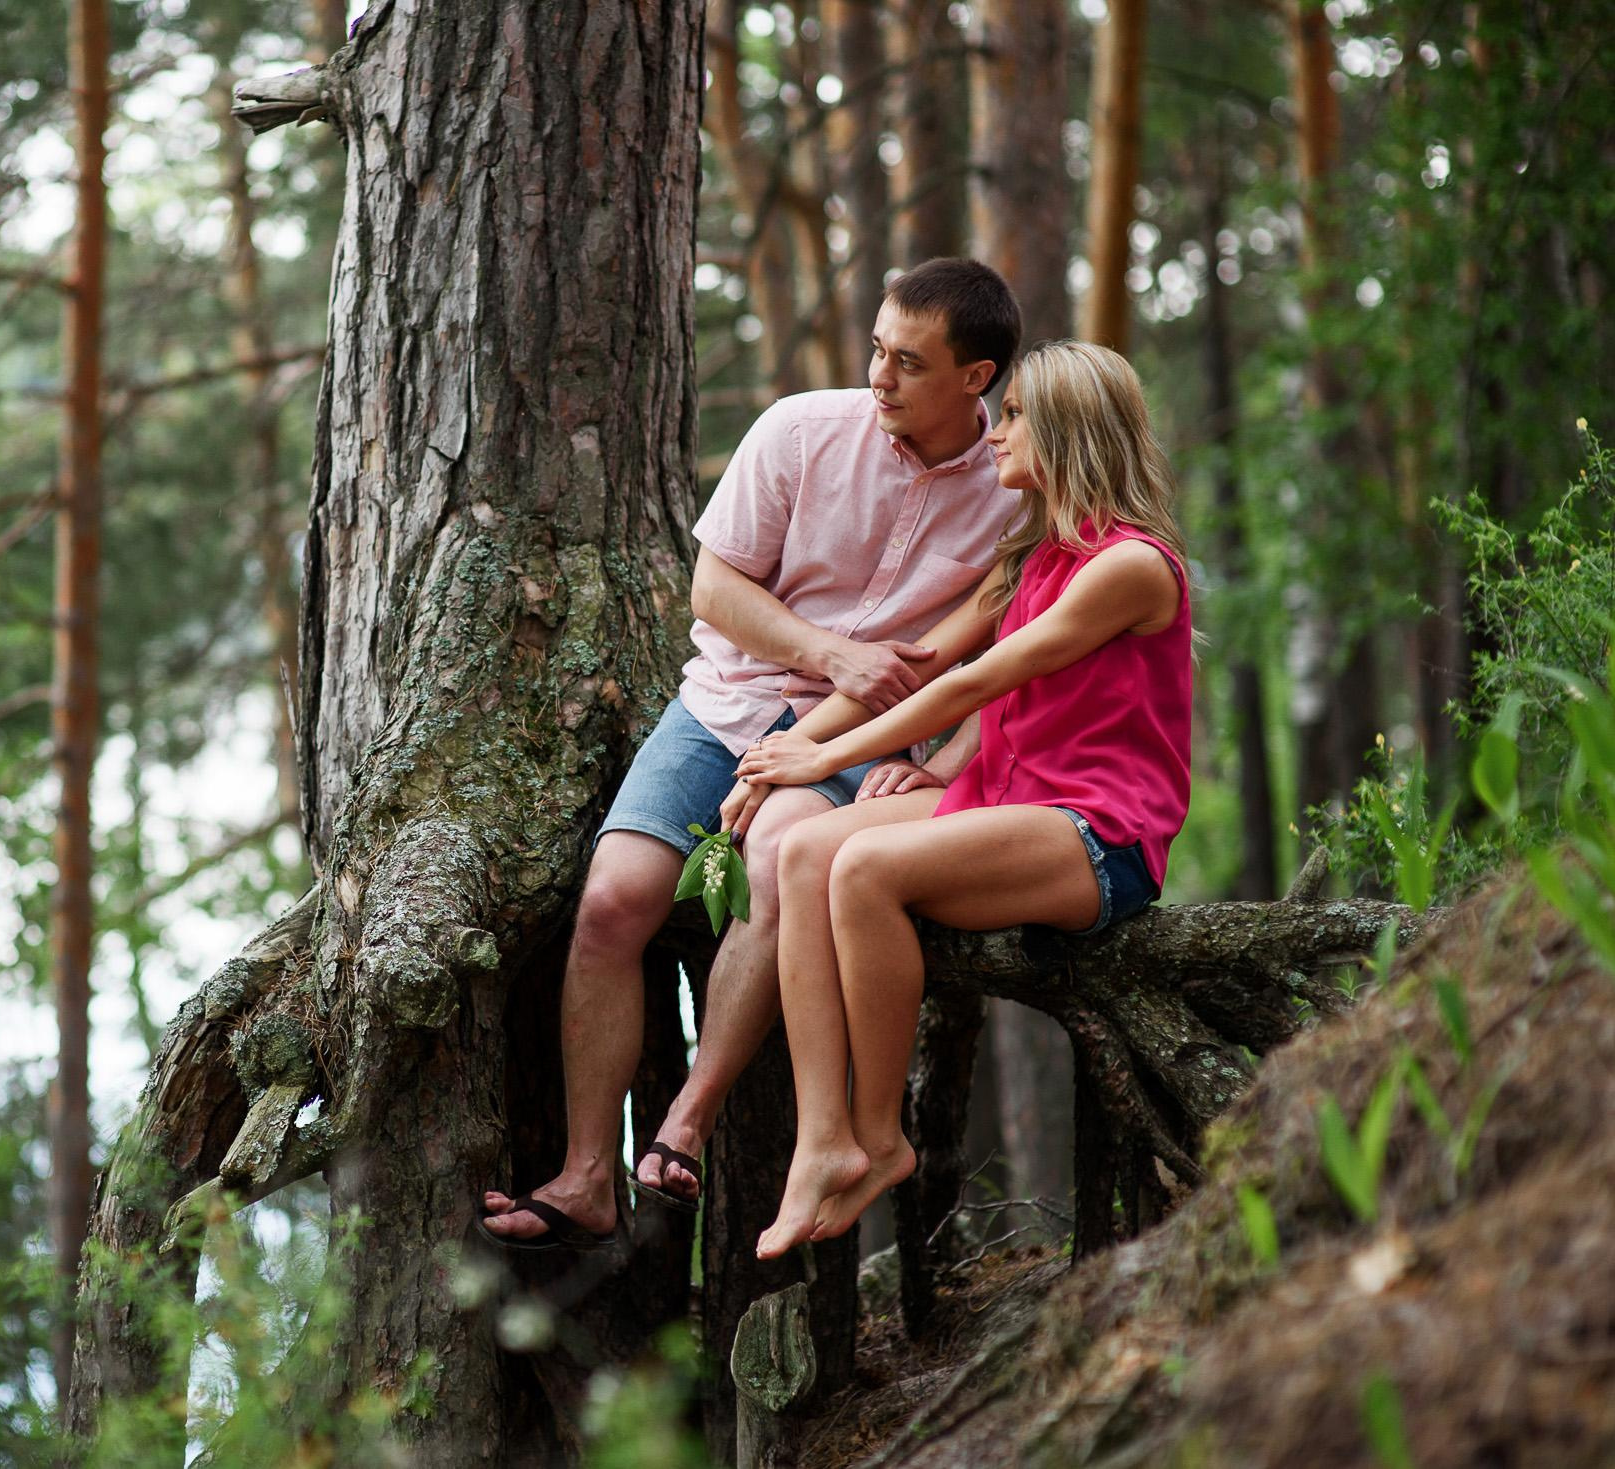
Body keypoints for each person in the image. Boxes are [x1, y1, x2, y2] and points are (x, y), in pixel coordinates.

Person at [479, 259, 1024, 1247]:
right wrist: (830, 652)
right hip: (723, 707)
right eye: (876, 349)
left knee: (778, 860)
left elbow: (1020, 656)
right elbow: (713, 590)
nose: (879, 377)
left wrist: (936, 762)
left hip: (863, 742)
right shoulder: (801, 431)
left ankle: (684, 1125)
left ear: (974, 377)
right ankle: (585, 1176)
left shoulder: (1014, 488)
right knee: (612, 900)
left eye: (908, 361)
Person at [728, 339, 1193, 1261]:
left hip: (1097, 830)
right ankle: (821, 1141)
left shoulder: (1130, 566)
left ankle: (879, 1134)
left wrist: (810, 752)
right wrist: (937, 768)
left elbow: (974, 685)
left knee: (860, 867)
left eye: (1017, 415)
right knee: (802, 852)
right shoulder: (1030, 559)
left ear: (1067, 431)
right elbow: (932, 668)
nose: (999, 432)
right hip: (1009, 795)